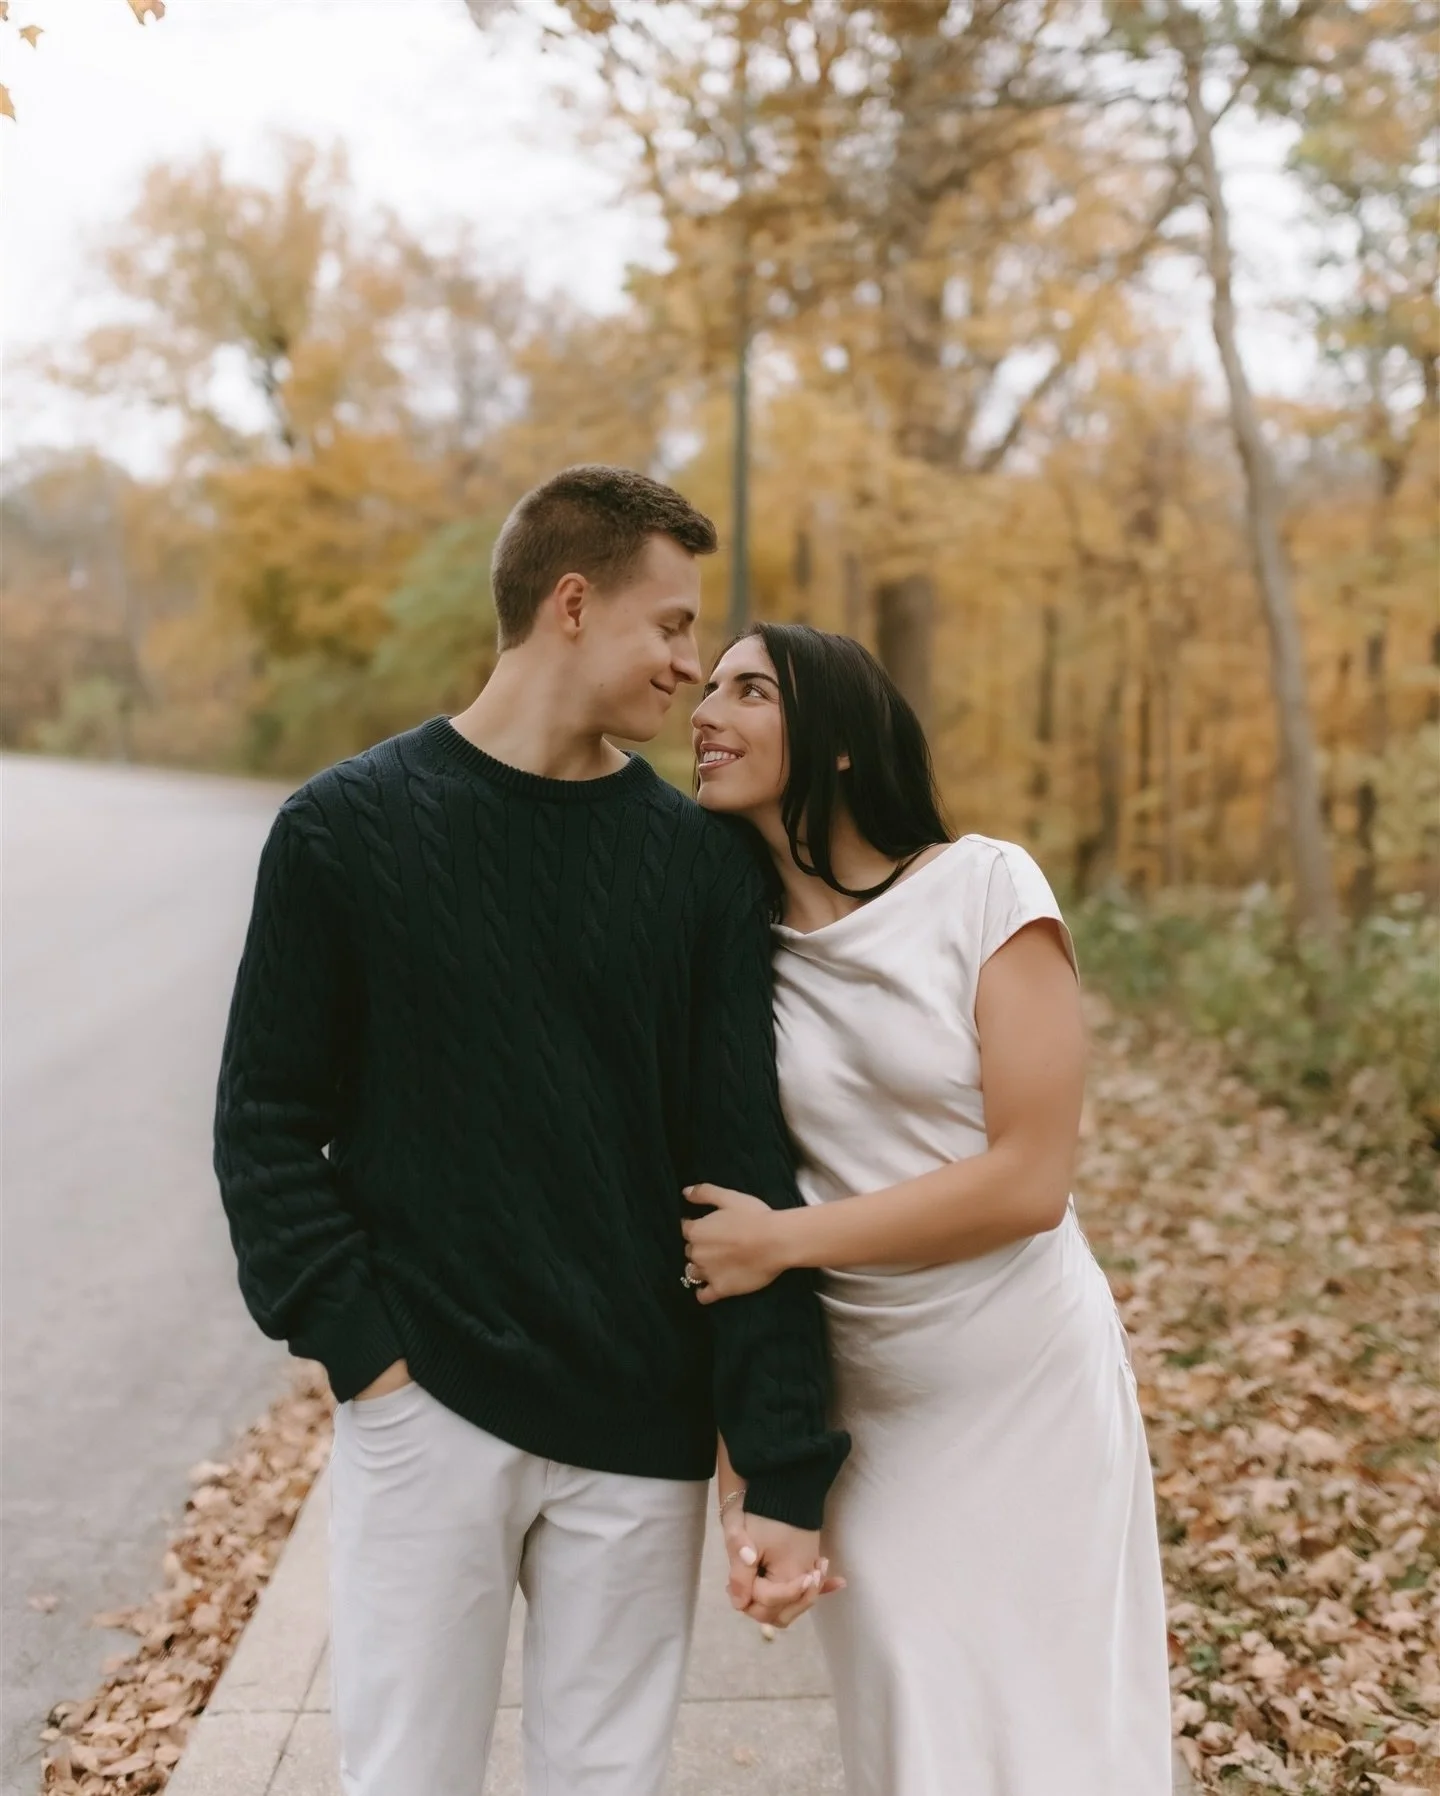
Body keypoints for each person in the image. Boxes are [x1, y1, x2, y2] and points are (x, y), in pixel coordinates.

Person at [212, 470, 849, 1796]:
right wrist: (369, 1364)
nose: (691, 666)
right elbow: (267, 1124)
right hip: (426, 1406)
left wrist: (779, 1461)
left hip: (639, 1427)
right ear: (573, 602)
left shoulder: (696, 869)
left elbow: (745, 1168)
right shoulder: (343, 832)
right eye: (672, 627)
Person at [681, 622, 1174, 1796]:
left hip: (1031, 1394)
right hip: (875, 1418)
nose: (706, 710)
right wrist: (748, 1479)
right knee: (920, 1743)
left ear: (840, 741)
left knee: (1065, 1741)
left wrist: (780, 1240)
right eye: (703, 688)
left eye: (748, 689)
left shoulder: (985, 885)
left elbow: (1030, 1178)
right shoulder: (732, 952)